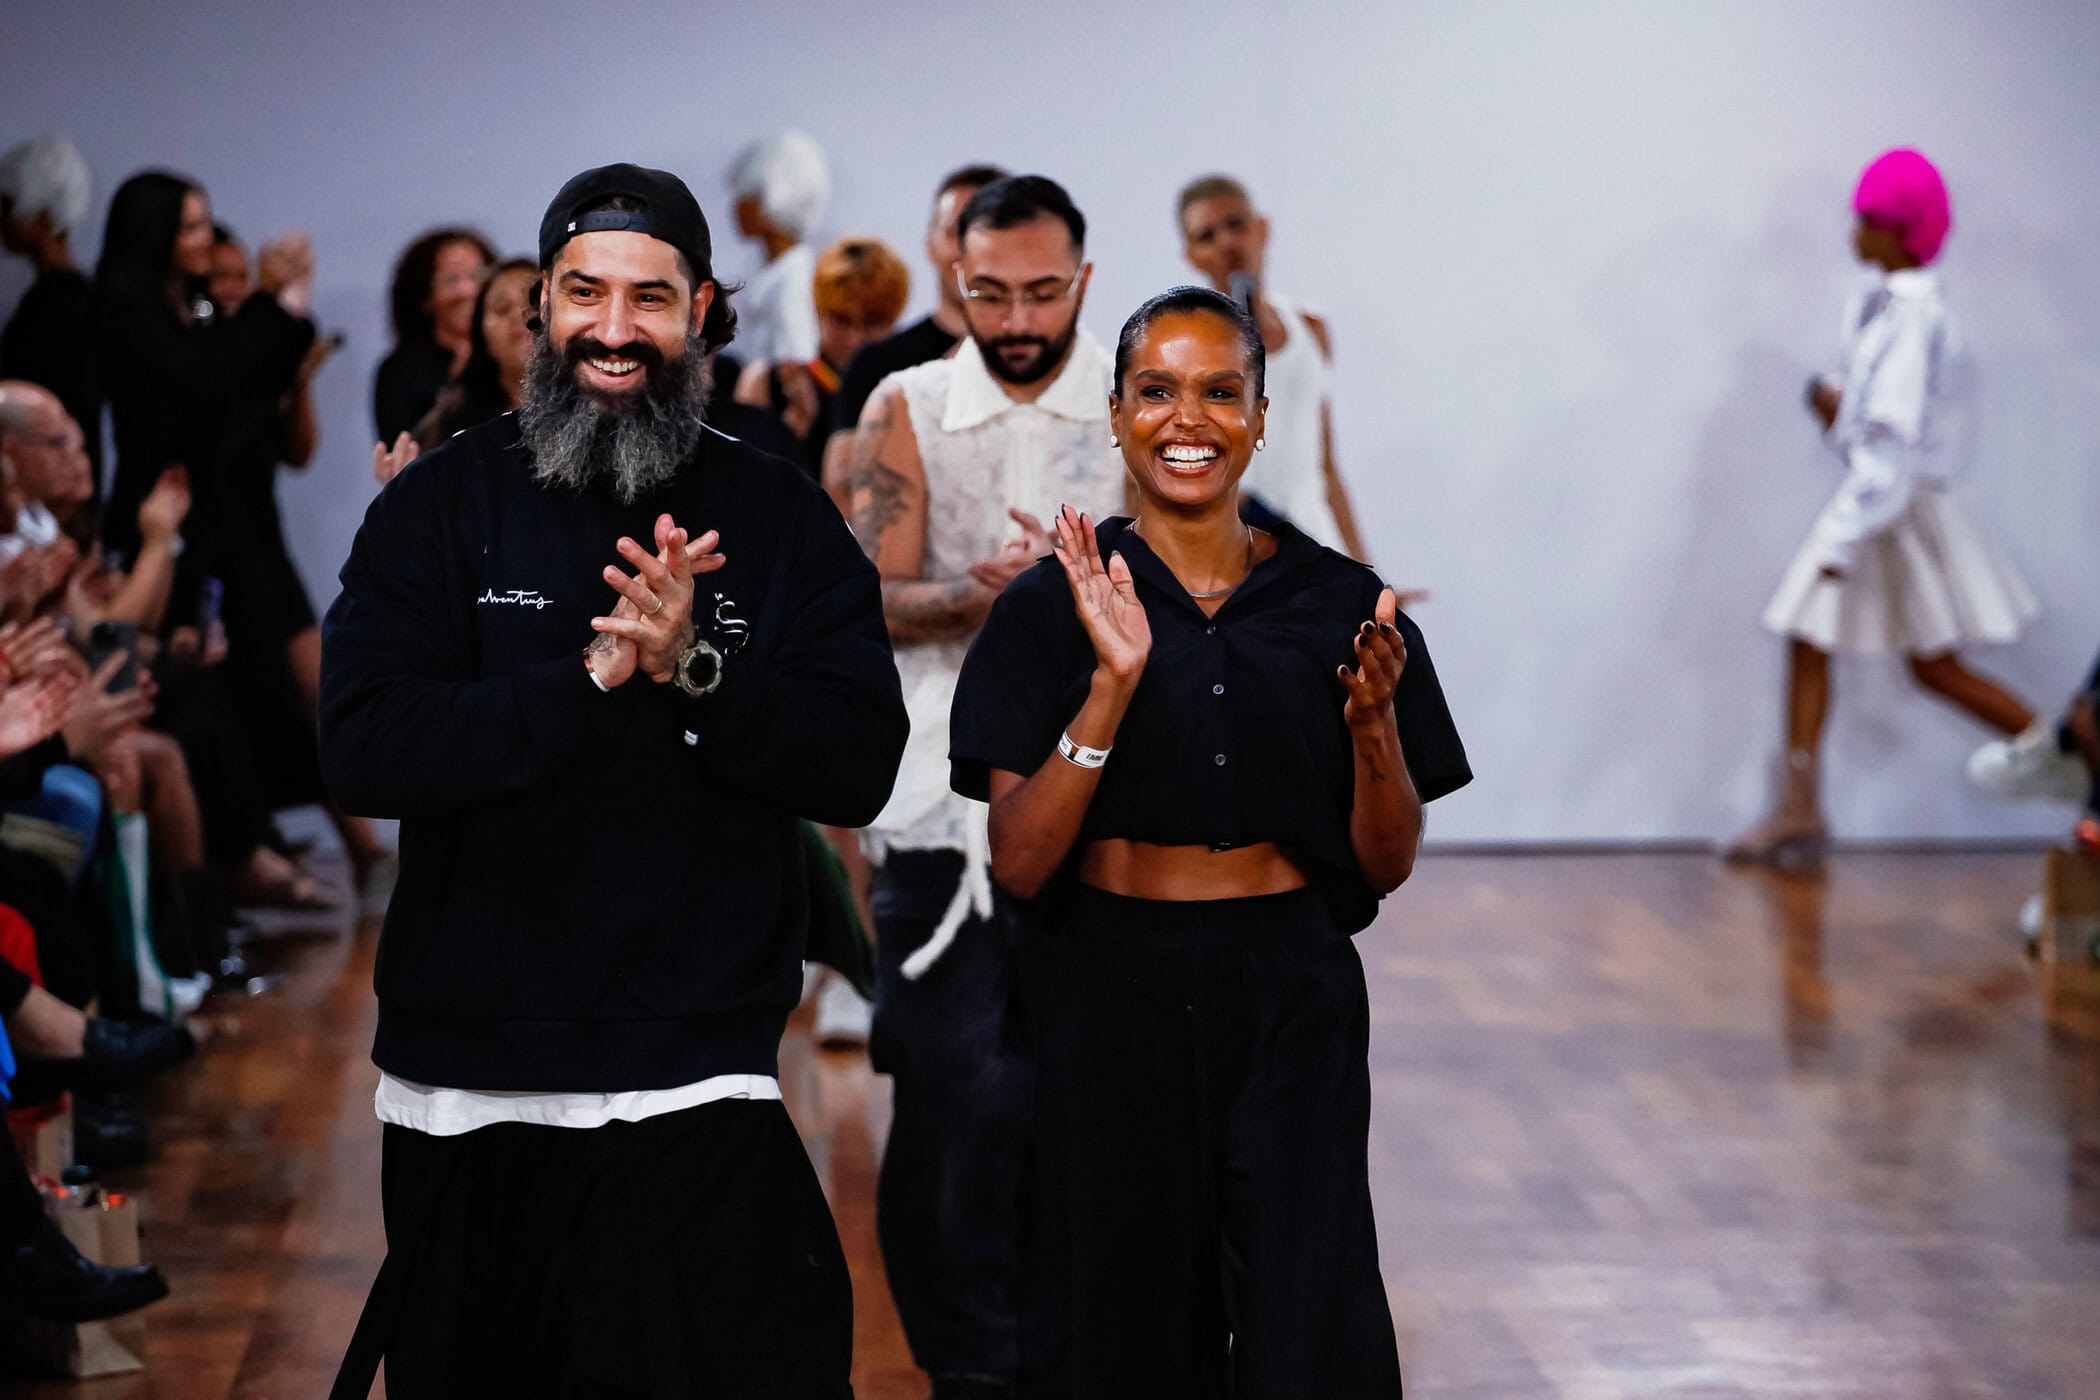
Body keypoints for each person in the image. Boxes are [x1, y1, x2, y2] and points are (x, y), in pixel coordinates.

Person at [320, 162, 906, 1398]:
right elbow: (364, 745)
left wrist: (692, 667)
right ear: (541, 306)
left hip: (703, 1066)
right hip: (470, 1076)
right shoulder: (439, 504)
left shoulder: (778, 513)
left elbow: (858, 761)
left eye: (651, 298)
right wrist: (587, 679)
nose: (614, 329)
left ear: (704, 311)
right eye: (585, 292)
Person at [948, 286, 1471, 1394]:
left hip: (1290, 990)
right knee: (1121, 1321)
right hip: (1108, 988)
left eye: (1221, 391)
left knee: (1307, 1309)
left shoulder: (1344, 604)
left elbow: (1386, 862)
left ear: (1261, 416)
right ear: (1117, 413)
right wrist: (1112, 685)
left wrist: (1372, 727)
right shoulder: (1049, 607)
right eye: (1157, 390)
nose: (1188, 418)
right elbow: (1021, 863)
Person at [846, 172, 1129, 1398]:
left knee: (1094, 1106)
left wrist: (1080, 595)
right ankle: (965, 1370)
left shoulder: (1133, 401)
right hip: (935, 803)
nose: (1017, 320)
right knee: (952, 1102)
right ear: (953, 278)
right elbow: (863, 597)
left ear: (1085, 279)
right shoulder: (904, 402)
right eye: (991, 293)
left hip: (1108, 796)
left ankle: (1082, 1358)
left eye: (1043, 292)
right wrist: (976, 596)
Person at [1726, 149, 2040, 865]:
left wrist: (1842, 539)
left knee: (1931, 665)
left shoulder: (1913, 316)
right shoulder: (1888, 309)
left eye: (1867, 220)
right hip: (1885, 504)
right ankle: (1799, 805)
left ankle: (2072, 757)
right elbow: (1880, 425)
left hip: (1888, 510)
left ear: (1898, 229)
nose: (1854, 232)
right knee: (1830, 642)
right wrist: (1840, 412)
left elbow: (1893, 442)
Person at [1177, 174, 1369, 561]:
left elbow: (1325, 467)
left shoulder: (1310, 330)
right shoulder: (1185, 347)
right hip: (1246, 557)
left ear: (1261, 228)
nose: (1226, 243)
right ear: (1193, 255)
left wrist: (1367, 575)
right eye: (1208, 236)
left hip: (1321, 550)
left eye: (1235, 225)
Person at [826, 164, 1007, 505]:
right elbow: (842, 493)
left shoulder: (1052, 363)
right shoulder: (876, 364)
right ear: (929, 244)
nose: (970, 247)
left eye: (989, 229)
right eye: (956, 231)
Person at [734, 236, 907, 482]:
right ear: (819, 311)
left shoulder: (908, 389)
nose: (854, 339)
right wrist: (789, 434)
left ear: (894, 321)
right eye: (841, 320)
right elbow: (742, 482)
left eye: (872, 323)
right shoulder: (768, 382)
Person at [0, 136, 103, 499]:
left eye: (8, 206)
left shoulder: (56, 308)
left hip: (52, 486)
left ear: (41, 218)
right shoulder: (72, 299)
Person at [370, 226, 494, 443]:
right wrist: (456, 387)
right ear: (425, 297)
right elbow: (401, 452)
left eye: (478, 276)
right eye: (451, 280)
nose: (468, 290)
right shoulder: (400, 370)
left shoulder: (514, 357)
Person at [726, 129, 830, 366]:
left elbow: (797, 364)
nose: (736, 207)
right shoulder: (774, 272)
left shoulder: (796, 283)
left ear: (776, 197)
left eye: (748, 195)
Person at [411, 256, 536, 445]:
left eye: (534, 304)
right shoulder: (446, 428)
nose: (520, 315)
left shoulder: (585, 408)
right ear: (481, 335)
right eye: (502, 308)